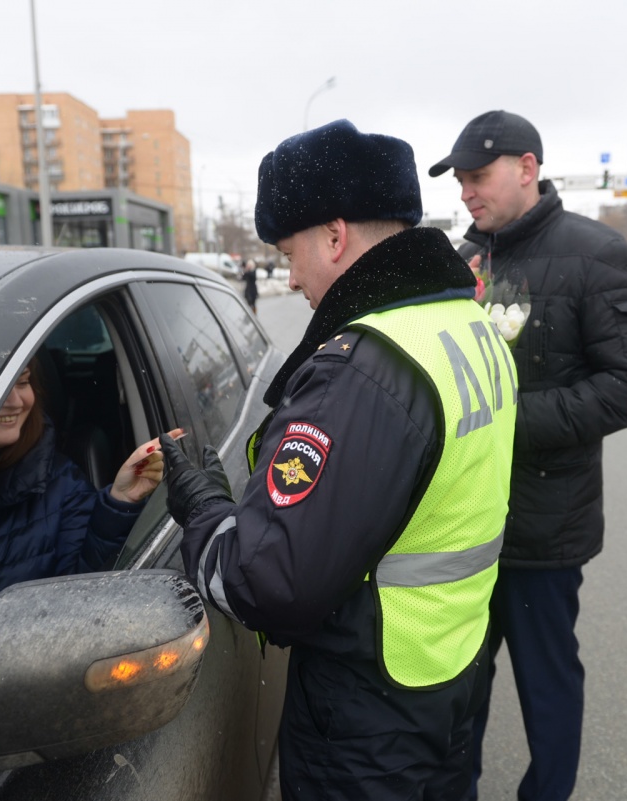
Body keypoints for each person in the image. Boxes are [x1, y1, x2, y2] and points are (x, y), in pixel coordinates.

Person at [159, 119, 519, 801]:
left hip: (369, 712)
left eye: (290, 252)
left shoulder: (365, 371)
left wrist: (201, 499)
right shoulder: (469, 325)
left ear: (334, 235)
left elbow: (269, 584)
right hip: (454, 667)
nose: (289, 277)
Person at [428, 110, 627, 801]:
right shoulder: (463, 261)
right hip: (460, 528)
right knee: (458, 689)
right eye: (460, 180)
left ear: (527, 167)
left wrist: (505, 422)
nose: (467, 192)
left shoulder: (597, 254)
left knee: (547, 683)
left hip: (544, 527)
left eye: (479, 176)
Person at [0, 360, 181, 621]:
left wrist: (120, 502)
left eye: (22, 382)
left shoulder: (63, 483)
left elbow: (83, 595)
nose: (14, 401)